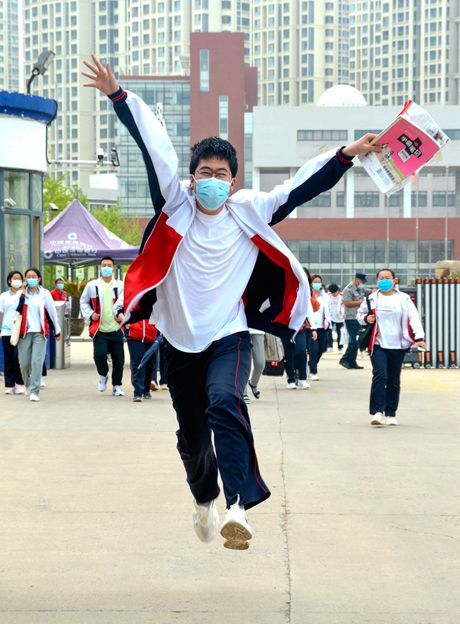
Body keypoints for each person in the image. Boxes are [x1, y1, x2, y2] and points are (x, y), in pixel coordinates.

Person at [82, 53, 380, 550]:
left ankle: (238, 507)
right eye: (204, 171)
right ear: (193, 177)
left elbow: (303, 185)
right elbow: (155, 149)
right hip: (179, 341)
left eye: (223, 172)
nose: (213, 179)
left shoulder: (249, 211)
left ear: (234, 180)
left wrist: (347, 154)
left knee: (226, 401)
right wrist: (119, 96)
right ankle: (205, 499)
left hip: (229, 335)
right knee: (194, 440)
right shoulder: (176, 206)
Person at [358, 269, 427, 427]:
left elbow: (413, 317)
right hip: (378, 343)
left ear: (394, 280)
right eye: (381, 278)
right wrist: (366, 318)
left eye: (387, 278)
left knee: (393, 380)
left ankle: (390, 413)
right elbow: (359, 316)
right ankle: (377, 412)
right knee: (380, 376)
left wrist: (419, 337)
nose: (384, 280)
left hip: (398, 345)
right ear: (377, 281)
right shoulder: (372, 298)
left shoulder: (403, 299)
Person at [80, 256, 125, 396]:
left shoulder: (121, 285)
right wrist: (90, 314)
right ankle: (103, 375)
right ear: (100, 268)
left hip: (116, 328)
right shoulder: (92, 285)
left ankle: (117, 385)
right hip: (100, 329)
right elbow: (83, 302)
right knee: (99, 356)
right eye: (104, 265)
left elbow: (127, 303)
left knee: (119, 360)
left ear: (113, 267)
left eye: (109, 265)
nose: (106, 268)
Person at [16, 268, 61, 402]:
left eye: (33, 276)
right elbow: (17, 311)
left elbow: (52, 313)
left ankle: (35, 391)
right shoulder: (21, 294)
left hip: (40, 333)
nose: (31, 279)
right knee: (24, 363)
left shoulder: (45, 294)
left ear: (39, 279)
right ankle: (28, 385)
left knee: (36, 362)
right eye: (28, 277)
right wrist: (23, 294)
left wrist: (57, 331)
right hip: (24, 333)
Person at [114, 295, 157, 402]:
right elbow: (116, 309)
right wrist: (124, 320)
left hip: (152, 334)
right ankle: (138, 391)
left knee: (150, 363)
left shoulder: (154, 289)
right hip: (134, 334)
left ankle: (146, 389)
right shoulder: (129, 290)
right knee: (137, 362)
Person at [0, 271, 25, 394]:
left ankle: (20, 383)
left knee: (18, 358)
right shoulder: (3, 296)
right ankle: (9, 385)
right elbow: (1, 313)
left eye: (19, 278)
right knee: (8, 358)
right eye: (15, 278)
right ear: (9, 281)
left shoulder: (24, 294)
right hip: (6, 331)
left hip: (19, 331)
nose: (17, 281)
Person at [339, 272, 368, 370]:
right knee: (354, 340)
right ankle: (345, 359)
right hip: (351, 318)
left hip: (358, 317)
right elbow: (347, 303)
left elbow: (369, 292)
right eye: (362, 281)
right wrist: (361, 302)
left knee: (356, 340)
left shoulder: (360, 289)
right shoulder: (348, 289)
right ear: (357, 279)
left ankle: (352, 361)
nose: (363, 283)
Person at [307, 275, 331, 381]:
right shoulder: (308, 295)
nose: (317, 283)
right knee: (314, 350)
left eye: (319, 282)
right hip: (312, 327)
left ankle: (310, 365)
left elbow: (328, 310)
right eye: (315, 281)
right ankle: (313, 371)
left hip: (322, 326)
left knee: (321, 350)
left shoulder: (325, 296)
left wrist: (328, 322)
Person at [244, 329, 265, 402]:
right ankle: (243, 392)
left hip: (258, 329)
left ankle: (253, 383)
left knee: (260, 363)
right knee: (244, 362)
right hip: (241, 329)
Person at [328, 283, 345, 351]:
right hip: (330, 317)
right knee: (329, 331)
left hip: (339, 317)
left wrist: (342, 313)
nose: (334, 294)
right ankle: (330, 346)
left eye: (335, 292)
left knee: (339, 332)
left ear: (338, 290)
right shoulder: (328, 296)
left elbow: (344, 306)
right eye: (332, 293)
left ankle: (340, 346)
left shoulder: (342, 297)